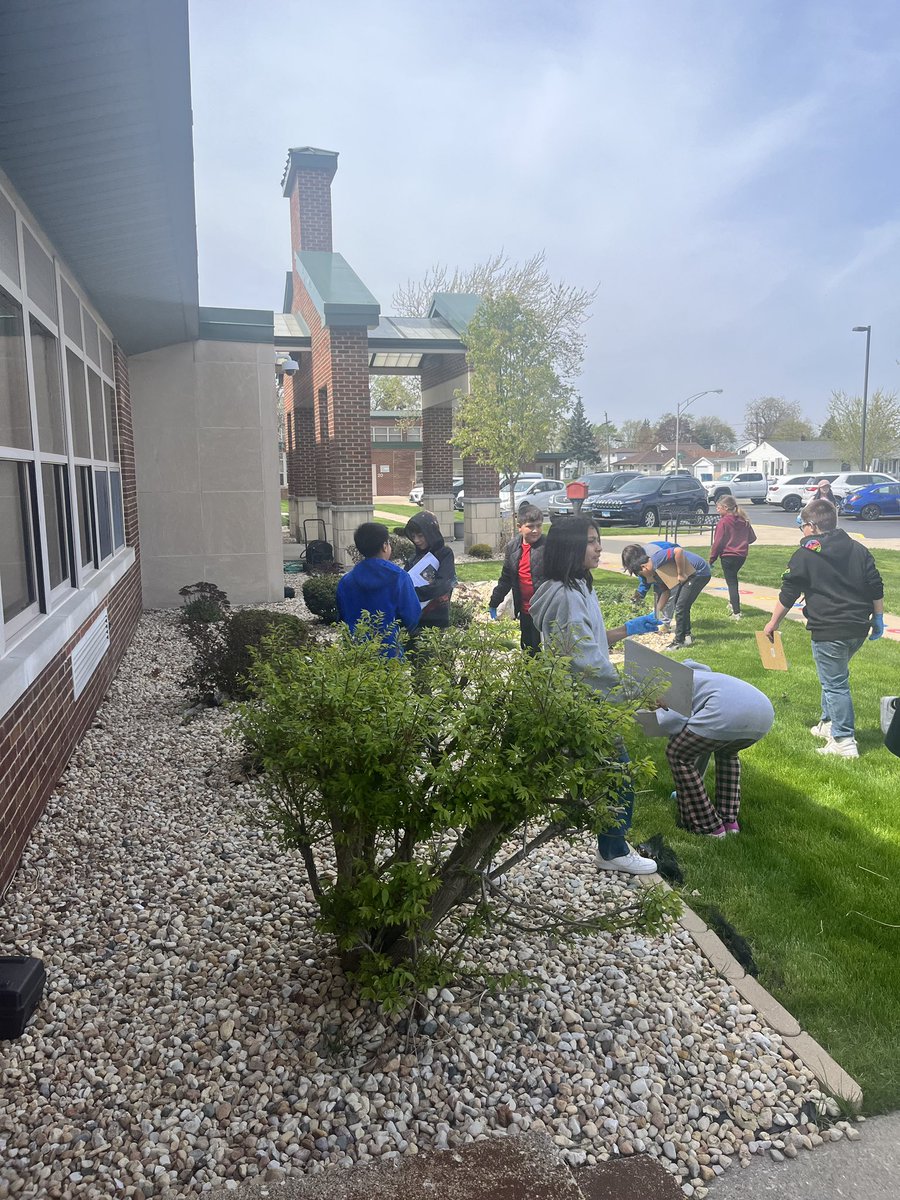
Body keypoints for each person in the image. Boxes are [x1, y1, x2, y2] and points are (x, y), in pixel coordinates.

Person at [530, 517, 661, 875]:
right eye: (590, 541)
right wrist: (636, 691)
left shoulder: (577, 586)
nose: (599, 547)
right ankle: (613, 850)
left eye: (598, 539)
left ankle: (607, 842)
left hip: (581, 698)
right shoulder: (568, 596)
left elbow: (592, 640)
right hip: (586, 701)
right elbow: (586, 662)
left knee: (599, 774)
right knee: (618, 775)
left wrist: (628, 629)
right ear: (570, 547)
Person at [763, 498, 884, 759]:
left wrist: (772, 623)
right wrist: (878, 618)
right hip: (857, 627)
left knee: (835, 684)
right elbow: (876, 585)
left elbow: (789, 592)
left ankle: (844, 741)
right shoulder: (858, 549)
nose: (802, 532)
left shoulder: (806, 553)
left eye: (802, 526)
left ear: (812, 526)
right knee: (834, 677)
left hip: (829, 627)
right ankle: (827, 723)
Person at [655, 663, 774, 836]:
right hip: (764, 714)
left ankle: (709, 826)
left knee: (677, 753)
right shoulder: (706, 678)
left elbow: (675, 722)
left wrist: (658, 712)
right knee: (727, 753)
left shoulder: (673, 683)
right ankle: (729, 820)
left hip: (725, 714)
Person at [336, 522, 420, 656]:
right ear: (384, 546)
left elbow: (342, 619)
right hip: (390, 652)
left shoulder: (346, 582)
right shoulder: (399, 578)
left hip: (356, 653)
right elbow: (412, 618)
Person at [621, 543, 712, 650]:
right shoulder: (655, 573)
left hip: (699, 572)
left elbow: (678, 551)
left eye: (640, 574)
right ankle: (687, 636)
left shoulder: (657, 560)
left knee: (681, 606)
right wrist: (656, 613)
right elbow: (666, 592)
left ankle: (679, 641)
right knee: (681, 605)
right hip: (691, 575)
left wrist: (681, 573)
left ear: (644, 567)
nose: (643, 578)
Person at [488, 503, 545, 654]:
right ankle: (528, 677)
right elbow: (506, 578)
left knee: (544, 653)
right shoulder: (513, 547)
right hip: (525, 611)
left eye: (539, 526)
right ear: (519, 527)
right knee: (527, 651)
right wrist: (494, 601)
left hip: (545, 612)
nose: (535, 530)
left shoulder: (548, 547)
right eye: (530, 526)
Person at [401, 510, 457, 631]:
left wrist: (412, 594)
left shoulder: (444, 554)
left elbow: (443, 584)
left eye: (420, 536)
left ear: (430, 533)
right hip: (414, 619)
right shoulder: (413, 559)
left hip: (436, 618)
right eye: (413, 536)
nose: (416, 540)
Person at [708, 496, 757, 620]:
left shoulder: (723, 522)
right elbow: (752, 538)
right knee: (733, 580)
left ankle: (736, 612)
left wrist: (711, 559)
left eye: (718, 508)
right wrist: (741, 541)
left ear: (725, 508)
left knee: (732, 583)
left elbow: (717, 542)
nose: (717, 510)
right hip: (741, 556)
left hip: (728, 556)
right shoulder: (743, 520)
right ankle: (732, 603)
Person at [623, 539, 678, 631]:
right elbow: (645, 579)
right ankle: (656, 618)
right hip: (655, 568)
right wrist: (640, 593)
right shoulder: (640, 561)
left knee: (670, 593)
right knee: (658, 594)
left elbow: (667, 590)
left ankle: (664, 623)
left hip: (671, 563)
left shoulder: (654, 558)